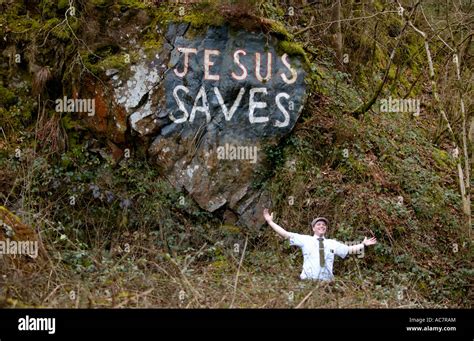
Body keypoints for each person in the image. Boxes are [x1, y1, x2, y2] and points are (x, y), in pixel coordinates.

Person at [263, 208, 377, 281]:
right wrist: (270, 222)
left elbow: (348, 249)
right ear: (313, 228)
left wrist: (363, 245)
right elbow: (285, 234)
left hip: (326, 283)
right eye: (318, 224)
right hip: (308, 281)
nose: (321, 226)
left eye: (324, 225)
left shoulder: (332, 243)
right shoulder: (305, 240)